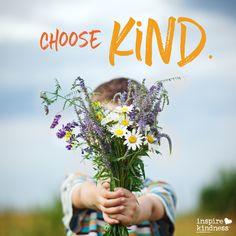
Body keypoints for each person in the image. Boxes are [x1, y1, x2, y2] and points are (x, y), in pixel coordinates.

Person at [60, 78, 177, 236]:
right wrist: (98, 197)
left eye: (127, 126)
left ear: (146, 130)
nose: (115, 137)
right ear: (90, 133)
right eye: (105, 127)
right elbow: (78, 193)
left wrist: (136, 211)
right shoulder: (78, 182)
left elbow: (154, 206)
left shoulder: (159, 189)